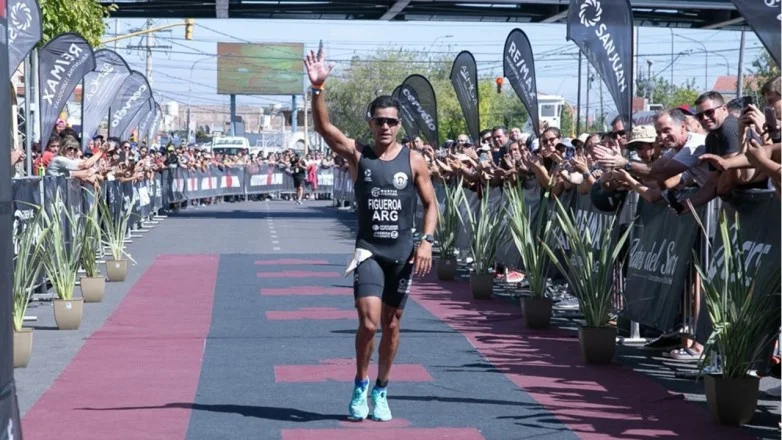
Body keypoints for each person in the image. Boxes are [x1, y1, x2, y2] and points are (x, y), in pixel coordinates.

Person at [305, 46, 437, 422]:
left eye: (391, 121)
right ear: (370, 122)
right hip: (369, 252)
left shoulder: (413, 160)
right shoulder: (358, 155)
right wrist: (318, 89)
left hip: (403, 254)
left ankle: (382, 388)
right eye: (379, 121)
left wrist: (426, 242)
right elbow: (324, 129)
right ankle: (361, 383)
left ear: (399, 125)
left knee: (392, 324)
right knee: (369, 322)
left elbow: (431, 205)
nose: (385, 127)